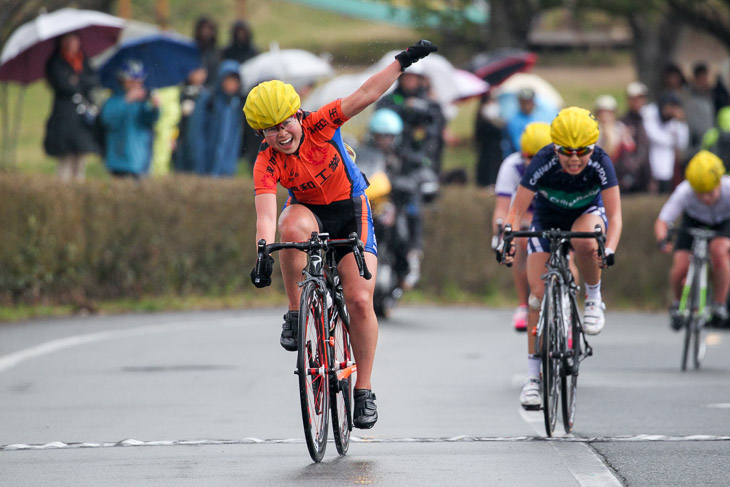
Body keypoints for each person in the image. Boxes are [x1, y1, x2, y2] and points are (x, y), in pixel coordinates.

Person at [246, 40, 438, 429]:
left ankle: (364, 390)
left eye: (285, 123)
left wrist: (402, 62)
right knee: (289, 227)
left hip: (350, 209)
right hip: (308, 213)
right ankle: (297, 311)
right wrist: (263, 254)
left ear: (297, 114)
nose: (280, 135)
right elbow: (265, 216)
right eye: (269, 130)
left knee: (359, 301)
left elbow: (366, 93)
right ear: (260, 133)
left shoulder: (320, 123)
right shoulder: (266, 163)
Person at [501, 107, 622, 410]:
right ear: (555, 147)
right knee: (536, 298)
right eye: (566, 151)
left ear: (592, 148)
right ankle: (532, 379)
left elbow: (616, 216)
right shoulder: (542, 161)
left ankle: (593, 298)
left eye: (582, 152)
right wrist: (509, 239)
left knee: (587, 242)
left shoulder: (601, 162)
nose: (574, 158)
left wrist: (609, 249)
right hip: (547, 220)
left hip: (586, 214)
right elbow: (516, 211)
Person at [654, 150, 730, 329]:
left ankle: (719, 304)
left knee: (719, 251)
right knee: (680, 267)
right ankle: (677, 304)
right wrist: (663, 239)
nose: (705, 198)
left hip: (723, 223)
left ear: (719, 182)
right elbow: (663, 221)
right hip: (693, 222)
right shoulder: (684, 191)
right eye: (700, 193)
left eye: (710, 193)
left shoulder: (728, 188)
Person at [492, 122, 552, 332]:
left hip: (554, 212)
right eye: (528, 157)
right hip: (526, 214)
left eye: (539, 158)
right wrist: (501, 238)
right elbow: (502, 209)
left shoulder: (561, 164)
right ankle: (523, 305)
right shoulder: (512, 166)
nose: (533, 163)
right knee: (521, 240)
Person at [43, 32, 102, 182]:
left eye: (74, 39)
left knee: (80, 161)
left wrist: (77, 79)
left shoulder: (84, 60)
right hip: (64, 118)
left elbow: (93, 81)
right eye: (67, 39)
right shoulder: (56, 62)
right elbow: (63, 85)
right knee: (65, 161)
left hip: (82, 119)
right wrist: (78, 82)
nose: (71, 43)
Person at [98, 60, 160, 178]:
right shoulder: (114, 100)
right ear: (122, 80)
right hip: (119, 159)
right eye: (131, 81)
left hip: (141, 158)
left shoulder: (142, 102)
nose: (135, 85)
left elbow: (149, 120)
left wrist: (155, 108)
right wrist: (126, 100)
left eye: (138, 81)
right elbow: (107, 119)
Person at [188, 60, 244, 176]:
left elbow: (235, 139)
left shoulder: (236, 105)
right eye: (228, 80)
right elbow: (196, 132)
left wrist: (230, 166)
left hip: (226, 170)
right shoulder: (208, 100)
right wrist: (199, 163)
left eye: (235, 80)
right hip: (206, 164)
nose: (232, 84)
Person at [642, 93, 689, 193]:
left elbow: (682, 143)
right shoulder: (650, 112)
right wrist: (672, 140)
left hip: (667, 167)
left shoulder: (673, 121)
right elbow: (653, 135)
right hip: (648, 165)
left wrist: (681, 122)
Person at [615, 82, 651, 193]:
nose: (637, 102)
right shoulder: (623, 122)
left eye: (640, 98)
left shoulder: (648, 119)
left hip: (646, 173)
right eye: (634, 99)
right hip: (629, 175)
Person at [173, 67, 207, 172]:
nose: (196, 75)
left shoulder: (207, 96)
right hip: (182, 138)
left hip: (199, 140)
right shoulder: (181, 92)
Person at [475, 91, 505, 188]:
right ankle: (486, 182)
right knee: (487, 163)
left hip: (496, 149)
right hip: (486, 149)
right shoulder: (482, 121)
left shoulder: (498, 119)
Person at [594, 94, 634, 161]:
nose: (605, 115)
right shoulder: (595, 130)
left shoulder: (620, 128)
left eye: (608, 112)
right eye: (602, 112)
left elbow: (630, 149)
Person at [193, 16, 220, 88]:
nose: (205, 32)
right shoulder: (191, 51)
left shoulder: (217, 52)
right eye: (203, 28)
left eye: (208, 28)